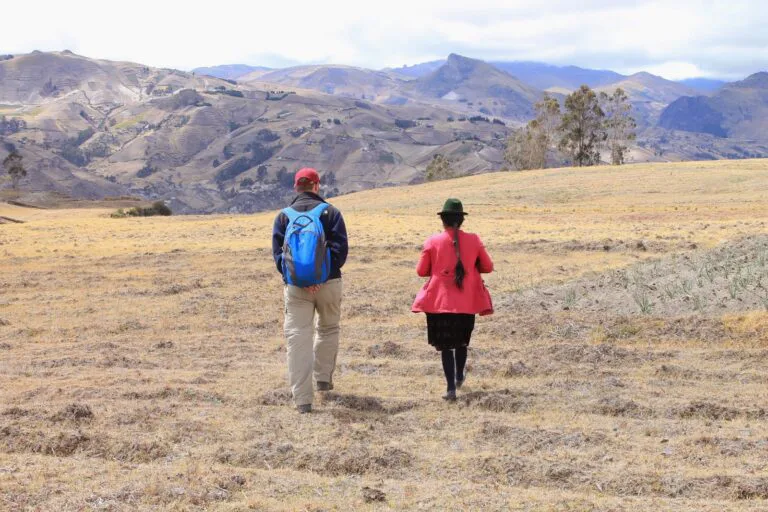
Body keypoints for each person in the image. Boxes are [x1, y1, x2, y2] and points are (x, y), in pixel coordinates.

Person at [272, 168, 348, 413]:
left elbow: (278, 257)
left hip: (296, 288)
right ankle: (323, 379)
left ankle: (303, 400)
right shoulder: (331, 213)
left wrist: (301, 279)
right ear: (317, 185)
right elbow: (340, 252)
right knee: (328, 328)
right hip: (329, 284)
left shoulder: (283, 217)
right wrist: (320, 278)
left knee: (298, 338)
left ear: (296, 187)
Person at [412, 198, 493, 401]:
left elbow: (421, 271)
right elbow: (488, 267)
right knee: (462, 343)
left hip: (440, 303)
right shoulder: (474, 240)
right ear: (461, 220)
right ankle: (459, 377)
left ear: (443, 220)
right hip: (467, 302)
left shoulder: (432, 241)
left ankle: (450, 389)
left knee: (446, 346)